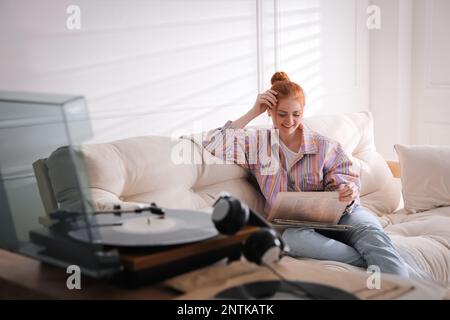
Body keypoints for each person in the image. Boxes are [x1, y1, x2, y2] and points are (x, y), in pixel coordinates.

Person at [195, 71, 410, 278]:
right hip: (298, 228)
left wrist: (346, 190)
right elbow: (214, 143)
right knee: (294, 240)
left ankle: (392, 271)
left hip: (343, 215)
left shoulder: (325, 146)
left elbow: (347, 180)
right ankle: (379, 263)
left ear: (303, 111)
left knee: (370, 232)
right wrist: (253, 111)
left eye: (296, 114)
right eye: (282, 114)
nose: (289, 120)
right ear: (270, 111)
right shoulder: (257, 145)